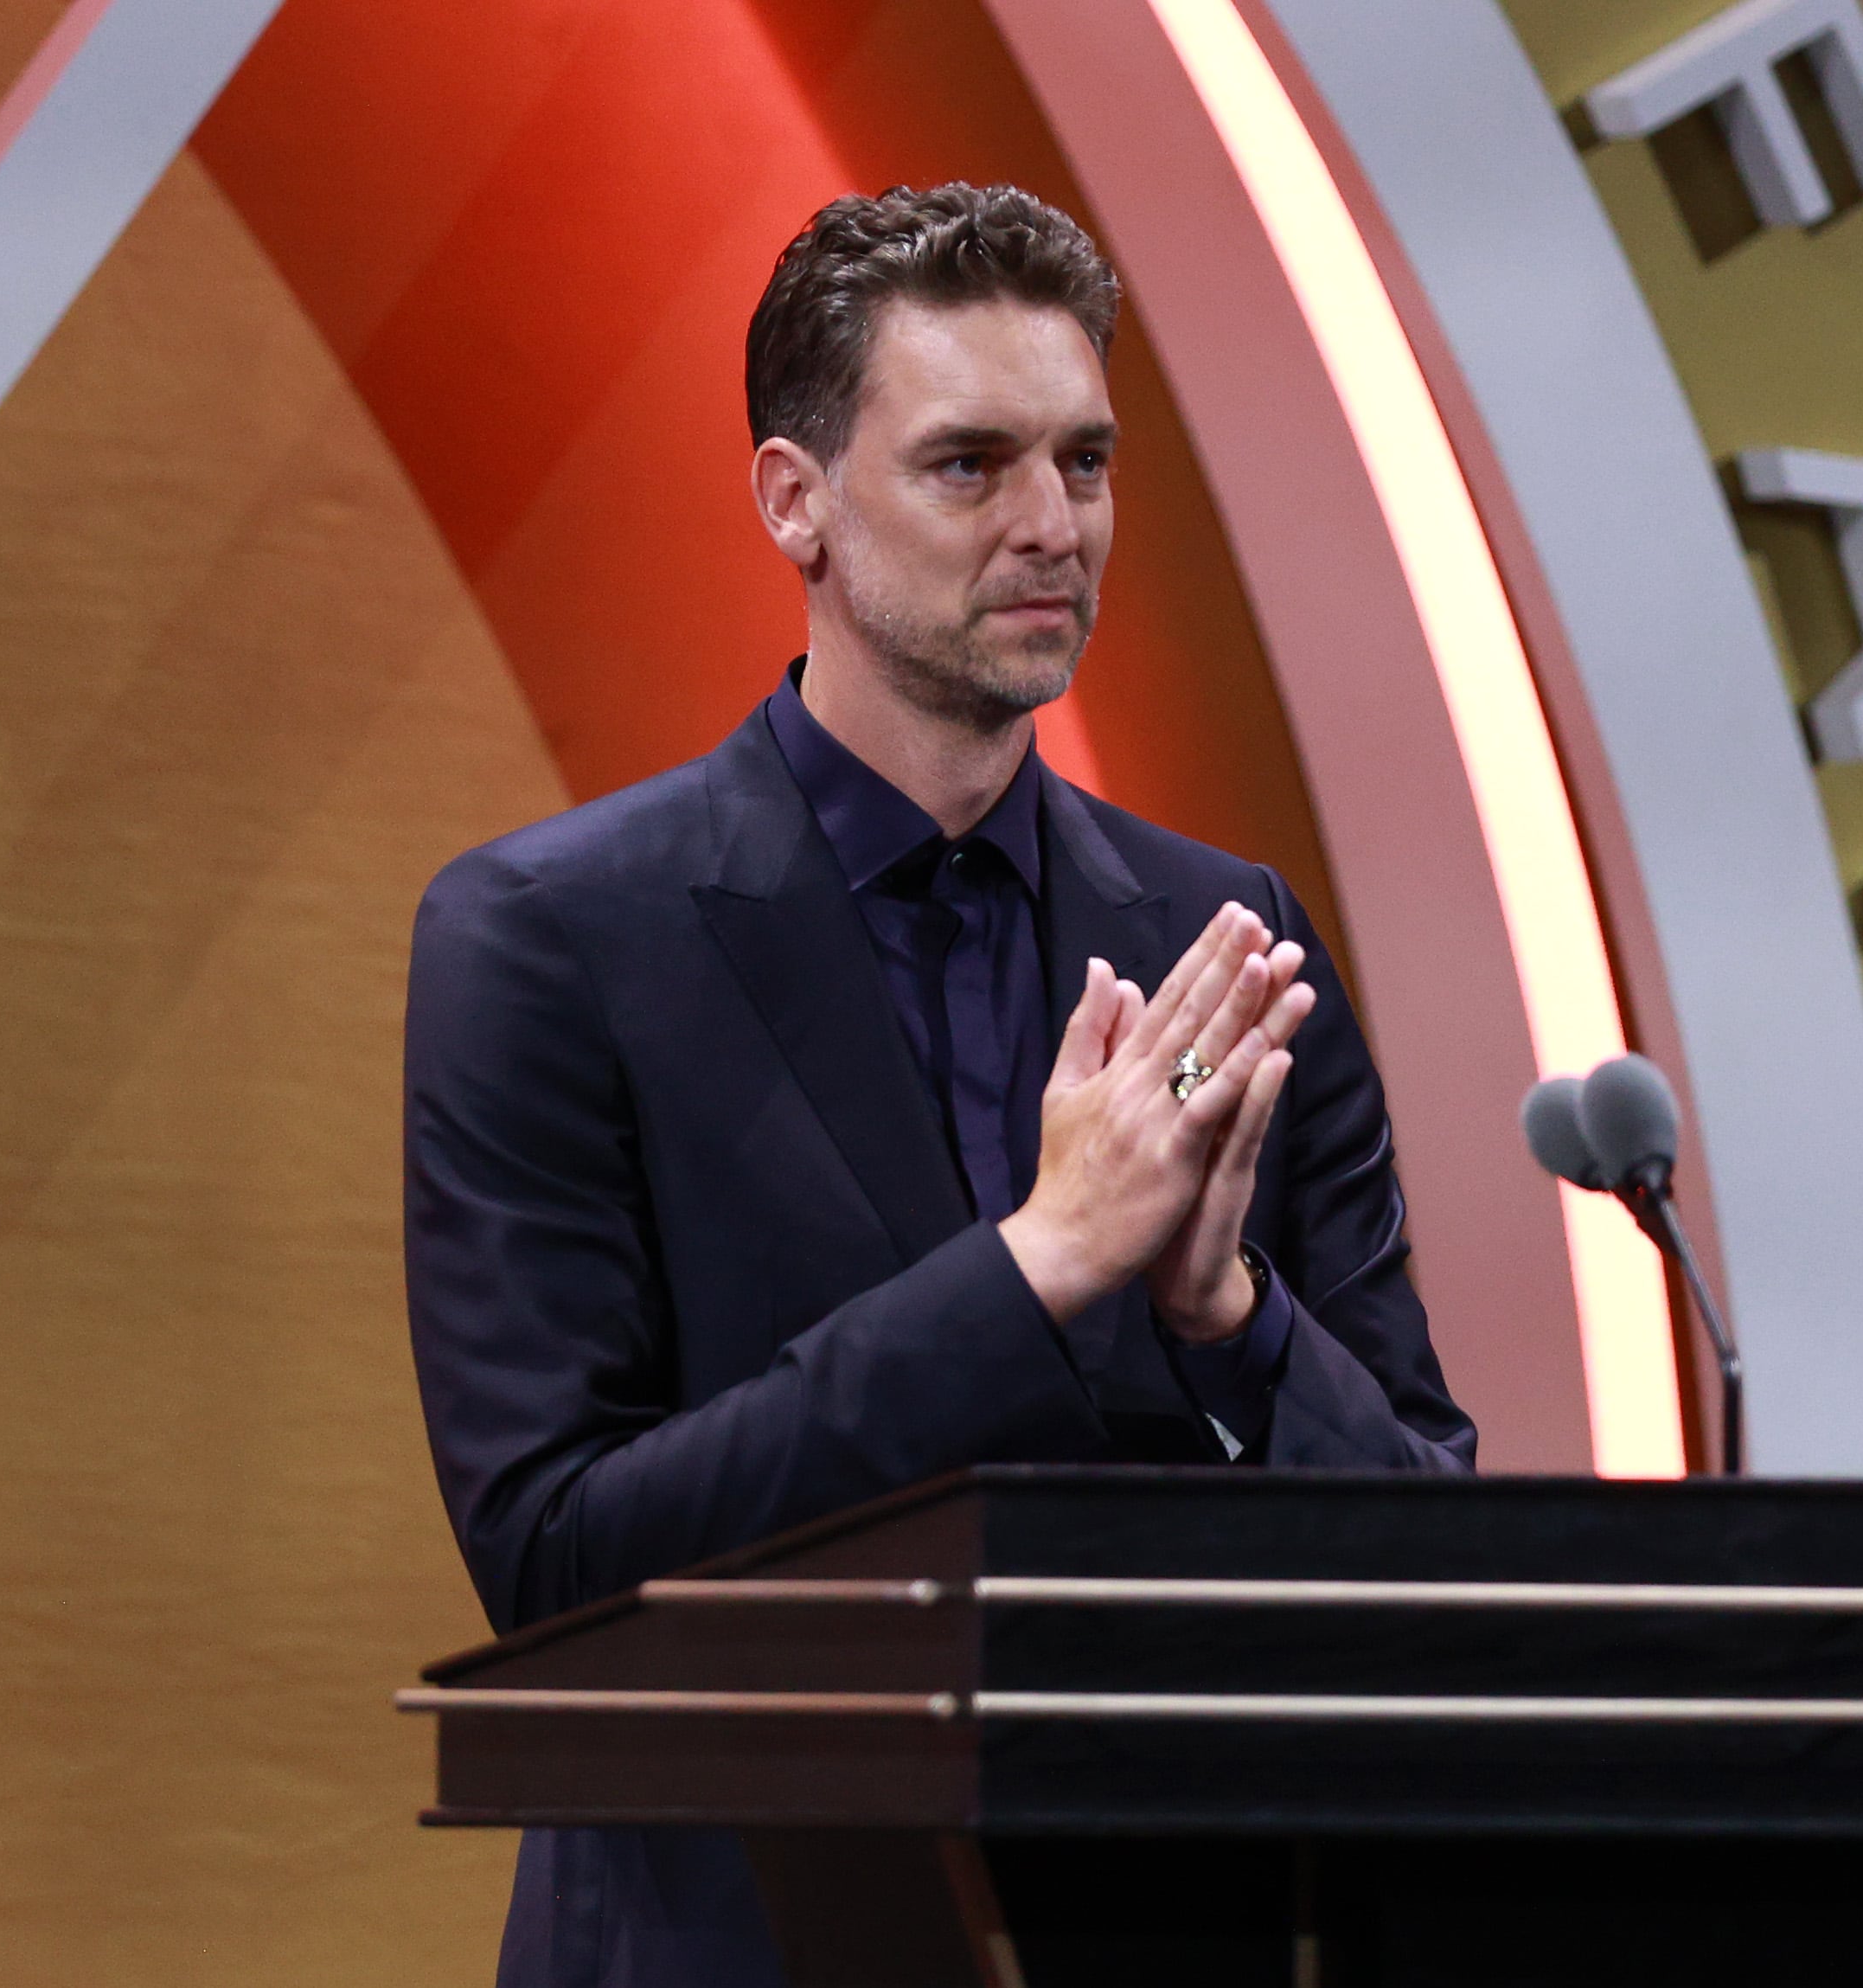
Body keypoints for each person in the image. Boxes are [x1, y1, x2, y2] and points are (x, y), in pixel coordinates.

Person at [404, 181, 1475, 1988]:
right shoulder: (551, 937)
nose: (1054, 526)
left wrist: (1229, 1325)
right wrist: (1036, 1270)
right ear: (792, 503)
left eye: (1087, 460)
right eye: (971, 467)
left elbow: (1435, 1562)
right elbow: (560, 1564)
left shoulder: (1228, 931)